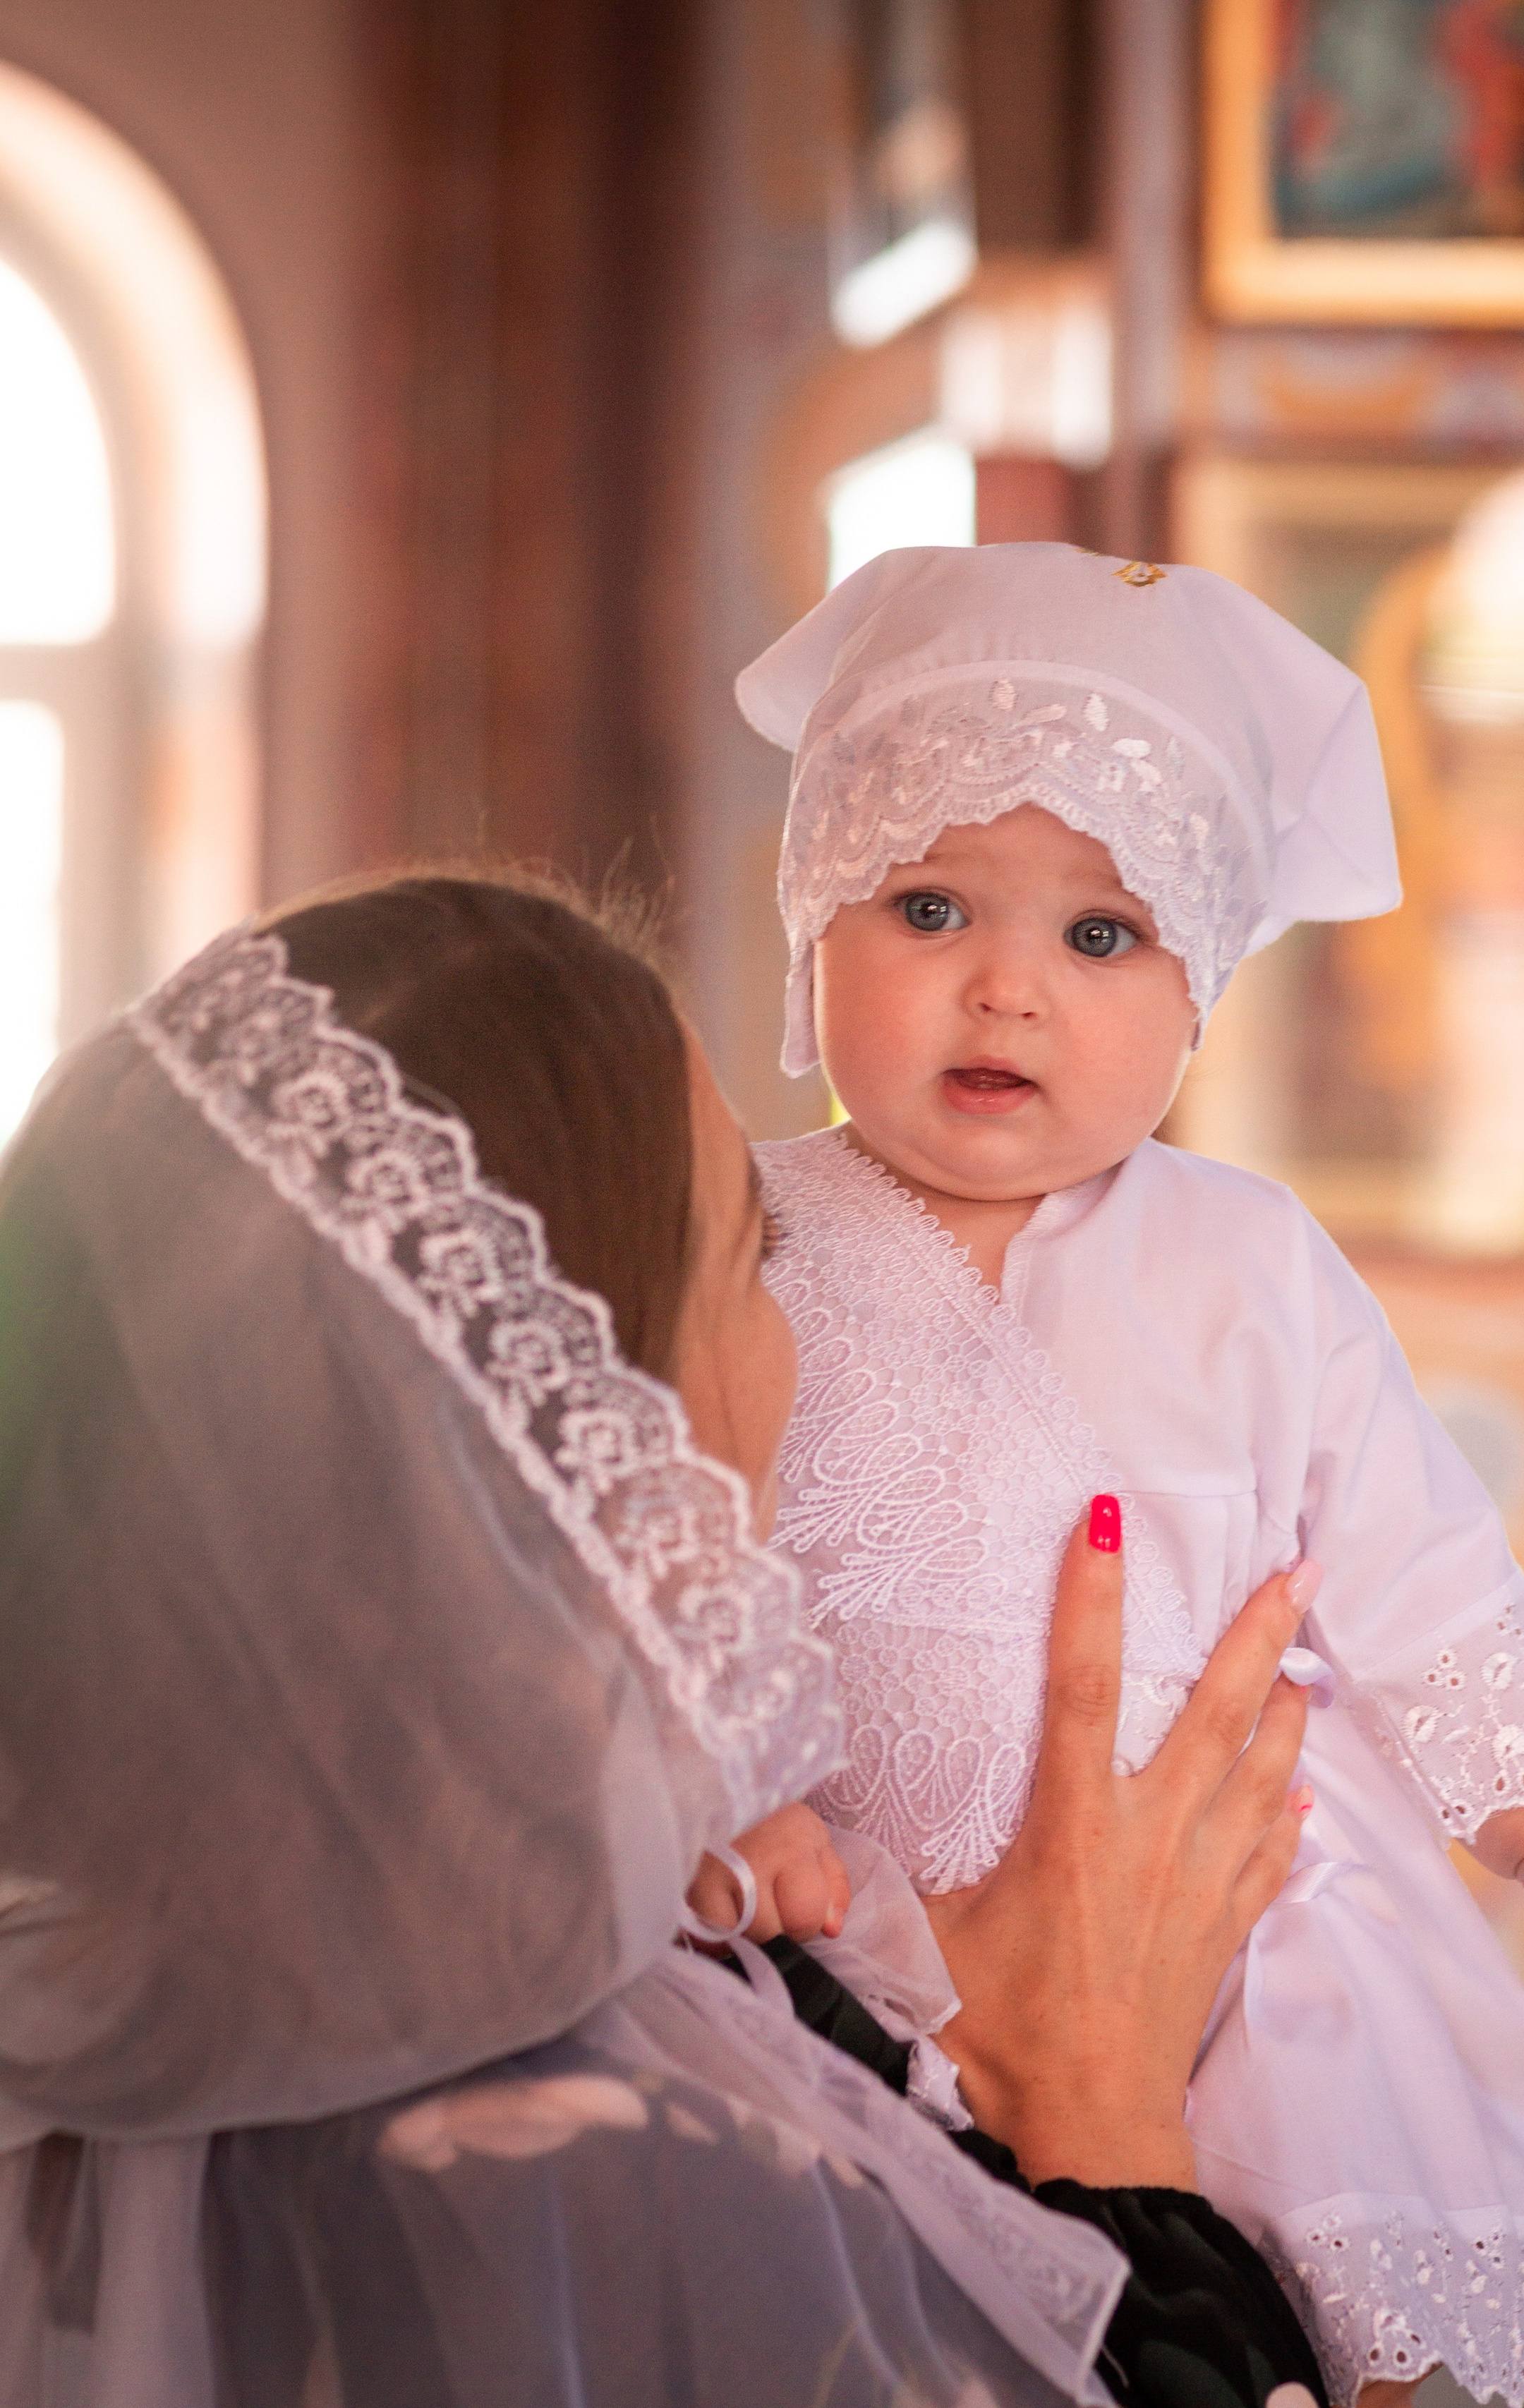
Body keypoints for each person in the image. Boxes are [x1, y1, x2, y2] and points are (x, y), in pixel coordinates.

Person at [0, 871, 1327, 2408]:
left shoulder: (81, 2008)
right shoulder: (617, 2186)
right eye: (759, 1261)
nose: (799, 1346)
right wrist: (1103, 2129)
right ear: (585, 1429)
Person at [731, 546, 1524, 2408]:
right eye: (928, 906)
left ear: (1200, 996)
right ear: (811, 921)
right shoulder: (745, 1231)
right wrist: (730, 1792)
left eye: (1099, 936)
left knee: (1306, 2223)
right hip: (862, 1902)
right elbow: (672, 1549)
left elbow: (1412, 1565)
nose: (1005, 989)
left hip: (1241, 1918)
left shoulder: (1249, 1257)